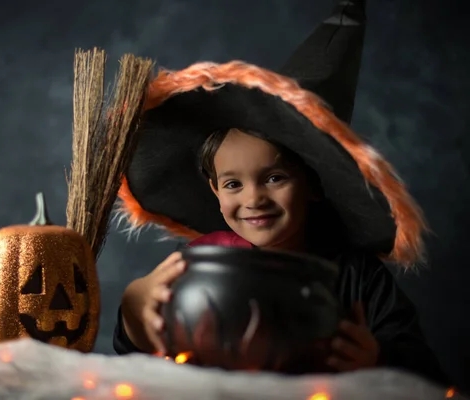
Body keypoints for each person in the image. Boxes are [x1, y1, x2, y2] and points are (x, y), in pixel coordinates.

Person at [111, 0, 450, 387]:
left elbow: (424, 371)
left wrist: (378, 357)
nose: (254, 199)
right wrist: (135, 314)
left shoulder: (358, 277)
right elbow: (141, 364)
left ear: (314, 185)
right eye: (234, 184)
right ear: (215, 191)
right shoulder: (198, 266)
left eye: (274, 178)